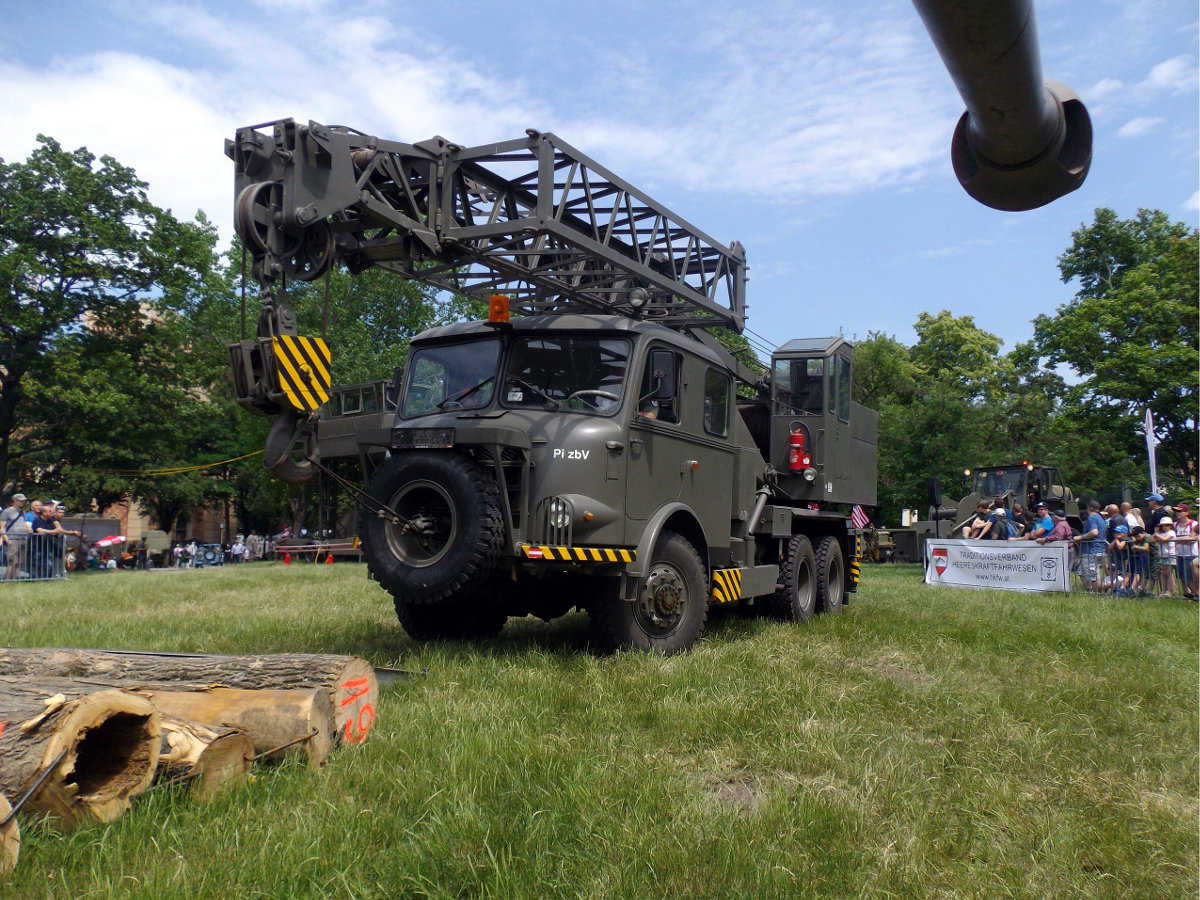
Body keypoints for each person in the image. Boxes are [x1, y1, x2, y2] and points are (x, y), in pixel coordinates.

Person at [1073, 500, 1107, 592]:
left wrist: (1080, 537)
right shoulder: (1100, 518)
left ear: (1090, 508)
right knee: (1081, 571)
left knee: (1093, 575)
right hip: (1099, 549)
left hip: (1091, 550)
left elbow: (1094, 532)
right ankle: (1089, 590)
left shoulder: (1092, 518)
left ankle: (1097, 594)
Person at [1173, 504, 1198, 601]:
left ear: (1187, 513)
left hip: (1191, 553)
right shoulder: (1175, 525)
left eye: (1180, 511)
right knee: (1182, 577)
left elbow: (1193, 539)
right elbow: (1172, 537)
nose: (1177, 513)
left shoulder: (1194, 524)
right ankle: (1193, 594)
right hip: (1180, 553)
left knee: (1190, 577)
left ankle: (1196, 593)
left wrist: (1178, 539)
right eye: (1176, 511)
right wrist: (1185, 539)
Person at [1150, 515, 1176, 597]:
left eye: (1167, 525)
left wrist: (1157, 535)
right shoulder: (1161, 533)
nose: (1165, 527)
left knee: (1168, 573)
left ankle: (1169, 591)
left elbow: (1164, 539)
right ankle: (1164, 590)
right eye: (1163, 526)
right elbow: (1152, 540)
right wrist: (1156, 533)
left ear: (1170, 526)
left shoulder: (1171, 532)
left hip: (1170, 554)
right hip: (1163, 555)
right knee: (1164, 574)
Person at [1129, 525, 1151, 596]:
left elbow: (1146, 548)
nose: (1136, 538)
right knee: (1144, 574)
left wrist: (1136, 547)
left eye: (1137, 535)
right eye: (1134, 536)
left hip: (1155, 557)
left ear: (1143, 533)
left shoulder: (1147, 537)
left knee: (1154, 576)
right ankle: (1140, 590)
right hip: (1148, 558)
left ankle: (1150, 592)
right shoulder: (1140, 540)